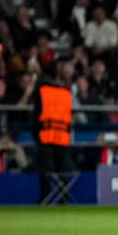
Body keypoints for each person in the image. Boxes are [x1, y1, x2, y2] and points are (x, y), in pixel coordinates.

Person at [33, 74, 74, 203]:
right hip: (62, 137)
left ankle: (45, 198)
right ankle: (64, 198)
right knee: (62, 170)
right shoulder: (66, 94)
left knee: (45, 170)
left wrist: (35, 134)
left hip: (45, 136)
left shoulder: (42, 91)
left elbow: (37, 114)